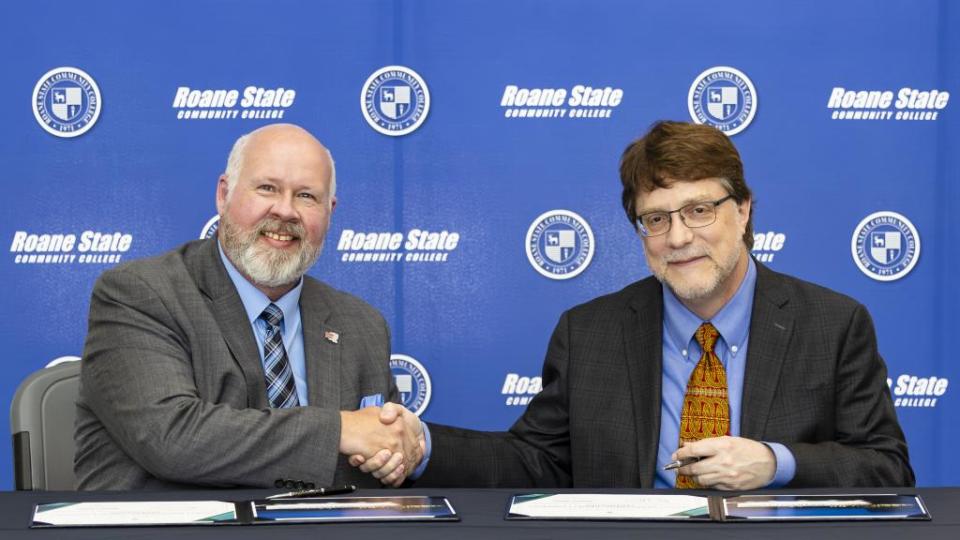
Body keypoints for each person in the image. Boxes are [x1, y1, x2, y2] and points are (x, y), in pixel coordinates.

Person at [359, 120, 914, 489]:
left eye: (699, 210)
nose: (678, 238)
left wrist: (776, 462)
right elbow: (535, 462)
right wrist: (422, 443)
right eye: (656, 219)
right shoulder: (590, 332)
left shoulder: (832, 324)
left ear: (743, 211)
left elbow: (887, 468)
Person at [74, 123, 424, 490]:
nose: (286, 211)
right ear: (224, 195)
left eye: (306, 196)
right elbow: (173, 438)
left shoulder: (362, 325)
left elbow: (382, 454)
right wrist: (341, 429)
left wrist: (396, 455)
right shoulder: (141, 294)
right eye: (267, 188)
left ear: (329, 211)